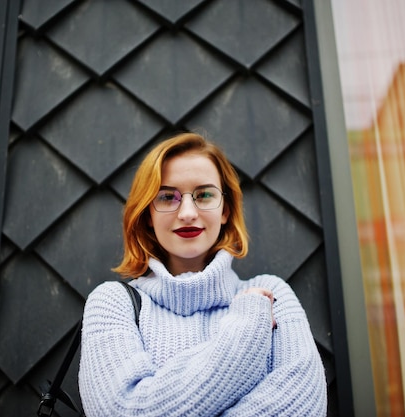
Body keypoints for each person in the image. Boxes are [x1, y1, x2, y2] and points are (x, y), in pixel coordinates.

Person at [78, 132, 327, 416]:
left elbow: (303, 407)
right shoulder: (112, 303)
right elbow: (123, 411)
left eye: (204, 194)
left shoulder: (272, 293)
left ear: (225, 210)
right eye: (167, 197)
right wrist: (244, 332)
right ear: (148, 214)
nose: (187, 212)